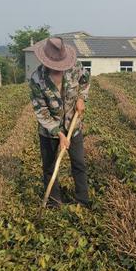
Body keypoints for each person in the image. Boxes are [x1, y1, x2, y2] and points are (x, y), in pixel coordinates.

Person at [29, 36, 90, 207]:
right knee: (50, 167)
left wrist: (81, 98)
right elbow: (41, 111)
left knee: (79, 164)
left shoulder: (75, 68)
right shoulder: (36, 80)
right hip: (49, 132)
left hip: (73, 125)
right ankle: (55, 203)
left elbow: (85, 81)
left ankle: (83, 202)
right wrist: (59, 134)